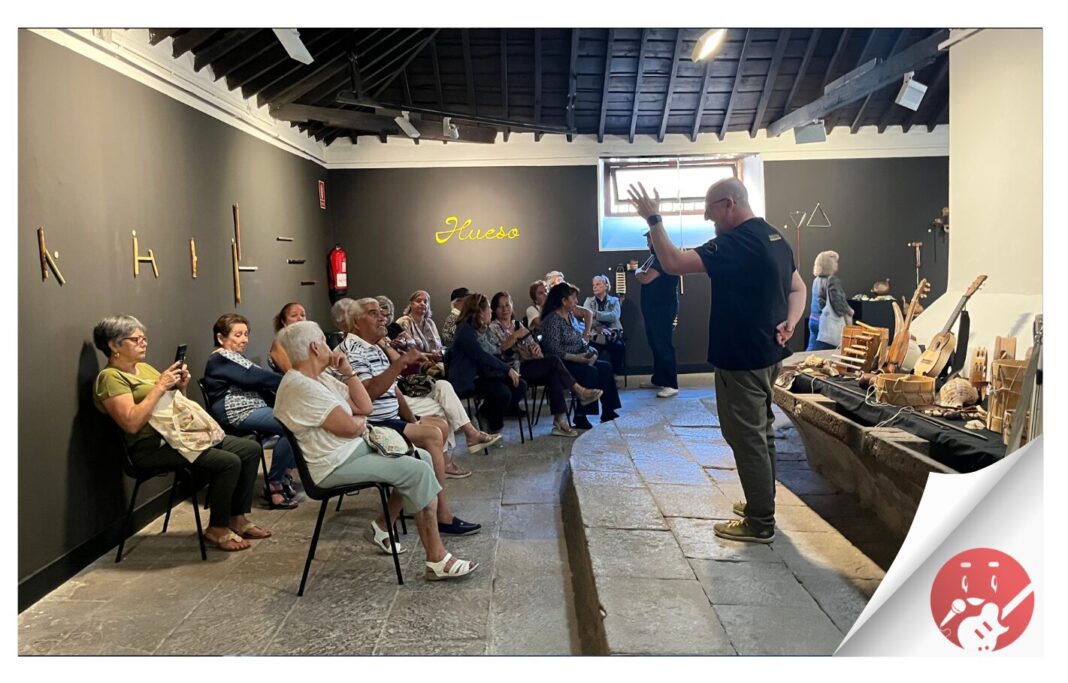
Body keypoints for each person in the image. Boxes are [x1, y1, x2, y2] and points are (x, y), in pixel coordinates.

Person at [628, 178, 805, 545]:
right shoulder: (775, 238)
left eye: (711, 213)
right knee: (761, 431)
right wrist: (791, 322)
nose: (710, 221)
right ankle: (762, 502)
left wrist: (653, 219)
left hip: (742, 358)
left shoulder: (735, 243)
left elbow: (673, 262)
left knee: (745, 437)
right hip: (768, 355)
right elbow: (798, 288)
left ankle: (760, 521)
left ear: (728, 204)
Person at [272, 321, 478, 580]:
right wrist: (357, 423)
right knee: (416, 470)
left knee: (421, 456)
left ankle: (382, 526)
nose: (329, 347)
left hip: (350, 450)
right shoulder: (300, 386)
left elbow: (365, 408)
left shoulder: (320, 377)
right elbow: (351, 427)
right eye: (324, 342)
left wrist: (348, 372)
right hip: (333, 464)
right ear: (315, 347)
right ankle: (436, 560)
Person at [92, 315, 270, 552]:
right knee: (228, 462)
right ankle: (217, 528)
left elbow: (174, 407)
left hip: (177, 436)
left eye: (144, 338)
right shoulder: (110, 378)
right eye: (136, 339)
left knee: (250, 449)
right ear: (114, 345)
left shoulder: (143, 368)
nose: (143, 343)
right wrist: (159, 386)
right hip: (150, 447)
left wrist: (180, 386)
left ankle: (237, 518)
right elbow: (131, 423)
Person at [341, 297, 500, 462]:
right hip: (379, 419)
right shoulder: (357, 349)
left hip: (399, 393)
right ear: (356, 323)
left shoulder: (375, 344)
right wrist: (403, 357)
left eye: (384, 313)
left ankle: (454, 450)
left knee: (444, 390)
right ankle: (448, 456)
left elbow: (396, 380)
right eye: (375, 314)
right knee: (441, 415)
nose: (383, 317)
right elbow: (373, 390)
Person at [202, 313, 299, 509]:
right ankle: (274, 485)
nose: (244, 339)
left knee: (299, 421)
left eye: (246, 334)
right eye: (238, 335)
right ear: (221, 338)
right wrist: (295, 380)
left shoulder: (234, 357)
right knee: (293, 425)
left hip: (252, 408)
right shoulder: (221, 358)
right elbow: (254, 377)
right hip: (237, 412)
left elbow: (257, 378)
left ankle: (284, 475)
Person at [486, 291, 603, 437]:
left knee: (553, 372)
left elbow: (533, 346)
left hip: (528, 364)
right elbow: (498, 350)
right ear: (495, 310)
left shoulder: (518, 324)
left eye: (507, 305)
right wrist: (515, 336)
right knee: (554, 360)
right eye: (501, 307)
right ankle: (579, 392)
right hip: (511, 370)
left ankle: (559, 421)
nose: (505, 309)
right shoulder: (492, 327)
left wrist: (535, 352)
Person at [538, 283, 622, 429]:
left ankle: (609, 410)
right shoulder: (551, 321)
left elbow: (580, 340)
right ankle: (581, 416)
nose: (577, 301)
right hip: (563, 363)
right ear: (564, 301)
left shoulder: (570, 316)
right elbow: (553, 350)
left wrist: (590, 351)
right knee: (590, 371)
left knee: (606, 367)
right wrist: (577, 358)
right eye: (574, 298)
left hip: (579, 357)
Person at [448, 293, 528, 434]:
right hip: (469, 379)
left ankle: (484, 414)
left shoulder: (480, 328)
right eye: (489, 308)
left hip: (484, 373)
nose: (491, 311)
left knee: (520, 385)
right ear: (480, 312)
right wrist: (508, 369)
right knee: (503, 393)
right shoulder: (464, 330)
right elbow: (481, 355)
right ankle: (495, 428)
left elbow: (495, 351)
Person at [635, 232, 680, 398]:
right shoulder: (654, 258)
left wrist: (638, 272)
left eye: (650, 240)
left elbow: (645, 277)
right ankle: (659, 378)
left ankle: (671, 383)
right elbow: (642, 273)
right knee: (655, 343)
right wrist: (639, 272)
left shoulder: (663, 258)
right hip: (653, 310)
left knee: (663, 344)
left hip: (662, 309)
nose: (648, 243)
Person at [806, 251, 853, 351]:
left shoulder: (816, 280)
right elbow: (839, 304)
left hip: (814, 320)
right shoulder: (832, 280)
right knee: (833, 353)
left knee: (811, 351)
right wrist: (849, 311)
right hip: (827, 323)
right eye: (835, 262)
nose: (837, 264)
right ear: (829, 264)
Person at [584, 274, 626, 377]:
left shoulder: (615, 300)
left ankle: (615, 374)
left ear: (606, 286)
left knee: (618, 347)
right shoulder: (589, 301)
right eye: (593, 285)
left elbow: (614, 316)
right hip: (595, 335)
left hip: (613, 334)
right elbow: (585, 318)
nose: (594, 287)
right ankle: (595, 375)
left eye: (598, 284)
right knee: (591, 350)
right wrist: (599, 327)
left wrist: (595, 314)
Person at [395, 290, 445, 362]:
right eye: (418, 301)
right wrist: (431, 356)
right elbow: (407, 351)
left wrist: (441, 351)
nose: (422, 303)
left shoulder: (430, 323)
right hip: (415, 364)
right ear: (411, 304)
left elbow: (439, 346)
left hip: (435, 362)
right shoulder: (403, 322)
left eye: (425, 302)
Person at [268, 302, 307, 372]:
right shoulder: (278, 343)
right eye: (294, 315)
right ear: (283, 321)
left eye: (303, 315)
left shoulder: (311, 340)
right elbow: (292, 373)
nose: (300, 318)